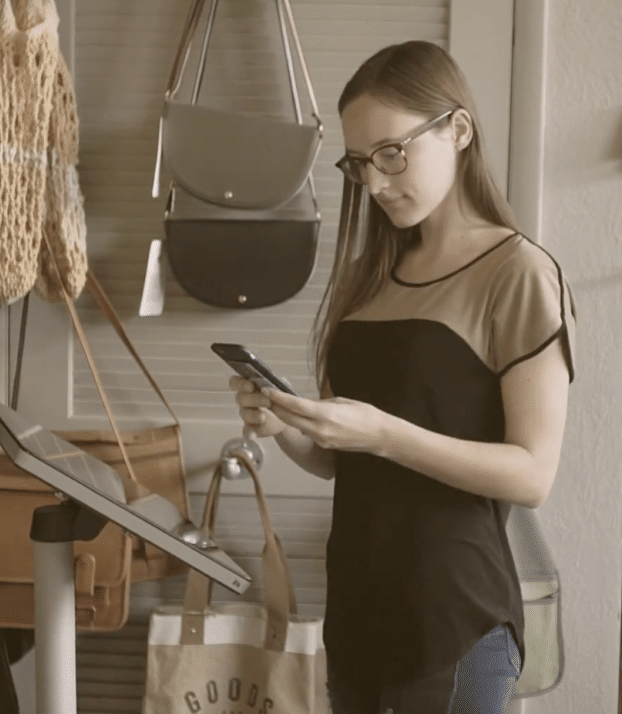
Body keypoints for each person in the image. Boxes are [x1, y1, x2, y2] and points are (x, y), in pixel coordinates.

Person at [232, 40, 575, 714]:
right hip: (359, 617)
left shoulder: (518, 273)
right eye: (360, 164)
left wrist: (386, 433)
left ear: (459, 129)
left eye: (392, 153)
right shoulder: (373, 276)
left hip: (454, 620)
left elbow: (533, 473)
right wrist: (285, 427)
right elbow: (344, 462)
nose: (377, 182)